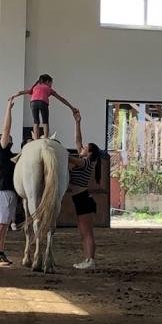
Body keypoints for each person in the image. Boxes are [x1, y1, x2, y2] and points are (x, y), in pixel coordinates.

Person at [68, 110, 102, 270]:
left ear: (89, 153)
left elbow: (69, 158)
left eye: (85, 148)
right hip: (80, 199)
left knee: (87, 232)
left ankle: (90, 260)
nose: (81, 148)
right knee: (84, 232)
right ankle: (88, 259)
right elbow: (78, 140)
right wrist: (77, 122)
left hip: (83, 199)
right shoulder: (85, 160)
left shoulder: (84, 162)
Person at [9, 74, 78, 140]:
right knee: (45, 122)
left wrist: (13, 96)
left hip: (33, 103)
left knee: (36, 122)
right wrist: (71, 107)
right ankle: (46, 138)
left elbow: (21, 92)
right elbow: (61, 99)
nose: (51, 85)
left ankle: (36, 139)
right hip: (43, 103)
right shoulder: (49, 89)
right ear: (47, 81)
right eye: (51, 83)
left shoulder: (35, 87)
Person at [0, 98, 17, 266]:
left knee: (5, 225)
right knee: (0, 223)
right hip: (2, 192)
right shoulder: (1, 151)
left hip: (11, 191)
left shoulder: (11, 156)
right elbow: (6, 128)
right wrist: (8, 109)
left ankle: (1, 251)